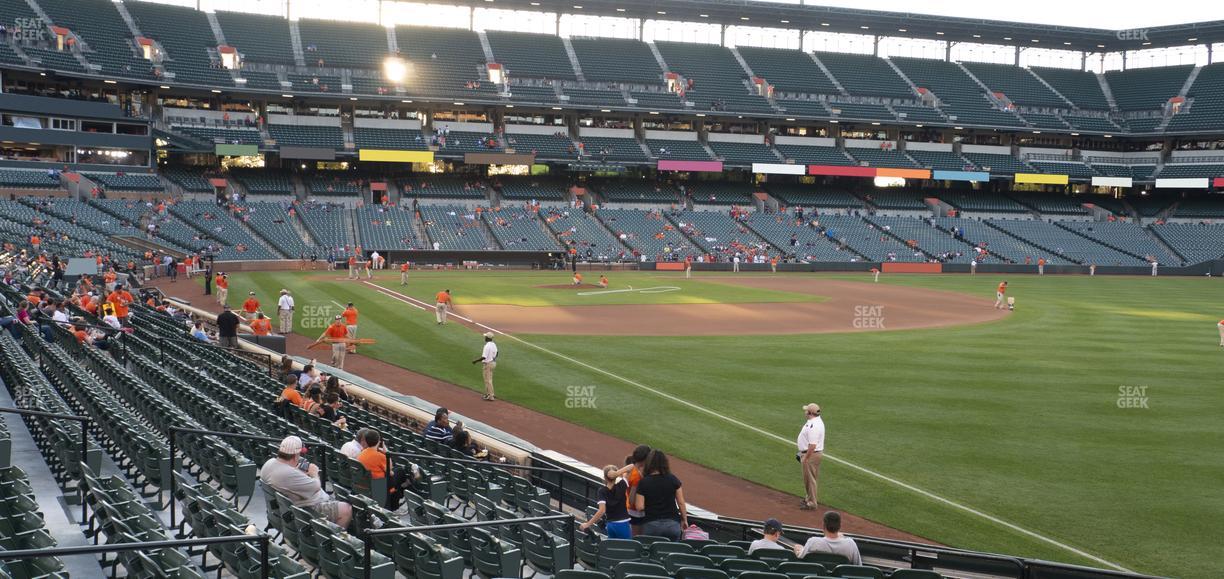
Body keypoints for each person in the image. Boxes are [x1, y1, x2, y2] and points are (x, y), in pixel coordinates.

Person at [260, 436, 351, 528]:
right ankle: (335, 539)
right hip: (305, 512)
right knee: (346, 508)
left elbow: (286, 477)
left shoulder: (270, 463)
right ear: (295, 456)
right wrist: (314, 473)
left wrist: (297, 472)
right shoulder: (289, 473)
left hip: (283, 511)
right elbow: (316, 486)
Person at [633, 450, 687, 540]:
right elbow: (681, 503)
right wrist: (684, 520)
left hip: (651, 525)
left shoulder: (643, 482)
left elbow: (639, 507)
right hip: (672, 525)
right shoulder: (673, 479)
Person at [579, 465, 633, 539]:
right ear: (616, 477)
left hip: (610, 525)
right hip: (623, 524)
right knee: (627, 548)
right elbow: (632, 466)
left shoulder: (602, 491)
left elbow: (602, 511)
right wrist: (617, 473)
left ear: (604, 478)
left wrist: (588, 524)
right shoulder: (622, 485)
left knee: (611, 548)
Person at [794, 511, 861, 565]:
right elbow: (858, 567)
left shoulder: (813, 542)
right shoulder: (850, 544)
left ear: (824, 525)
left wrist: (798, 549)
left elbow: (800, 558)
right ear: (840, 526)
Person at [797, 403, 824, 511]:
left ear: (810, 413)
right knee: (809, 479)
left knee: (810, 479)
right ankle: (808, 498)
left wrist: (806, 457)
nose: (805, 411)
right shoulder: (814, 422)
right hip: (810, 453)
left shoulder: (814, 426)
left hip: (811, 455)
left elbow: (812, 445)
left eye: (806, 410)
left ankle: (812, 503)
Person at [471, 332, 498, 401]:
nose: (485, 337)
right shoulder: (494, 344)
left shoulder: (487, 346)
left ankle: (490, 396)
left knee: (487, 380)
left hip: (488, 364)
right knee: (489, 379)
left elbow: (484, 357)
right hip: (493, 363)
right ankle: (490, 393)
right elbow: (497, 353)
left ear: (488, 338)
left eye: (485, 337)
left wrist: (475, 361)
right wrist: (493, 358)